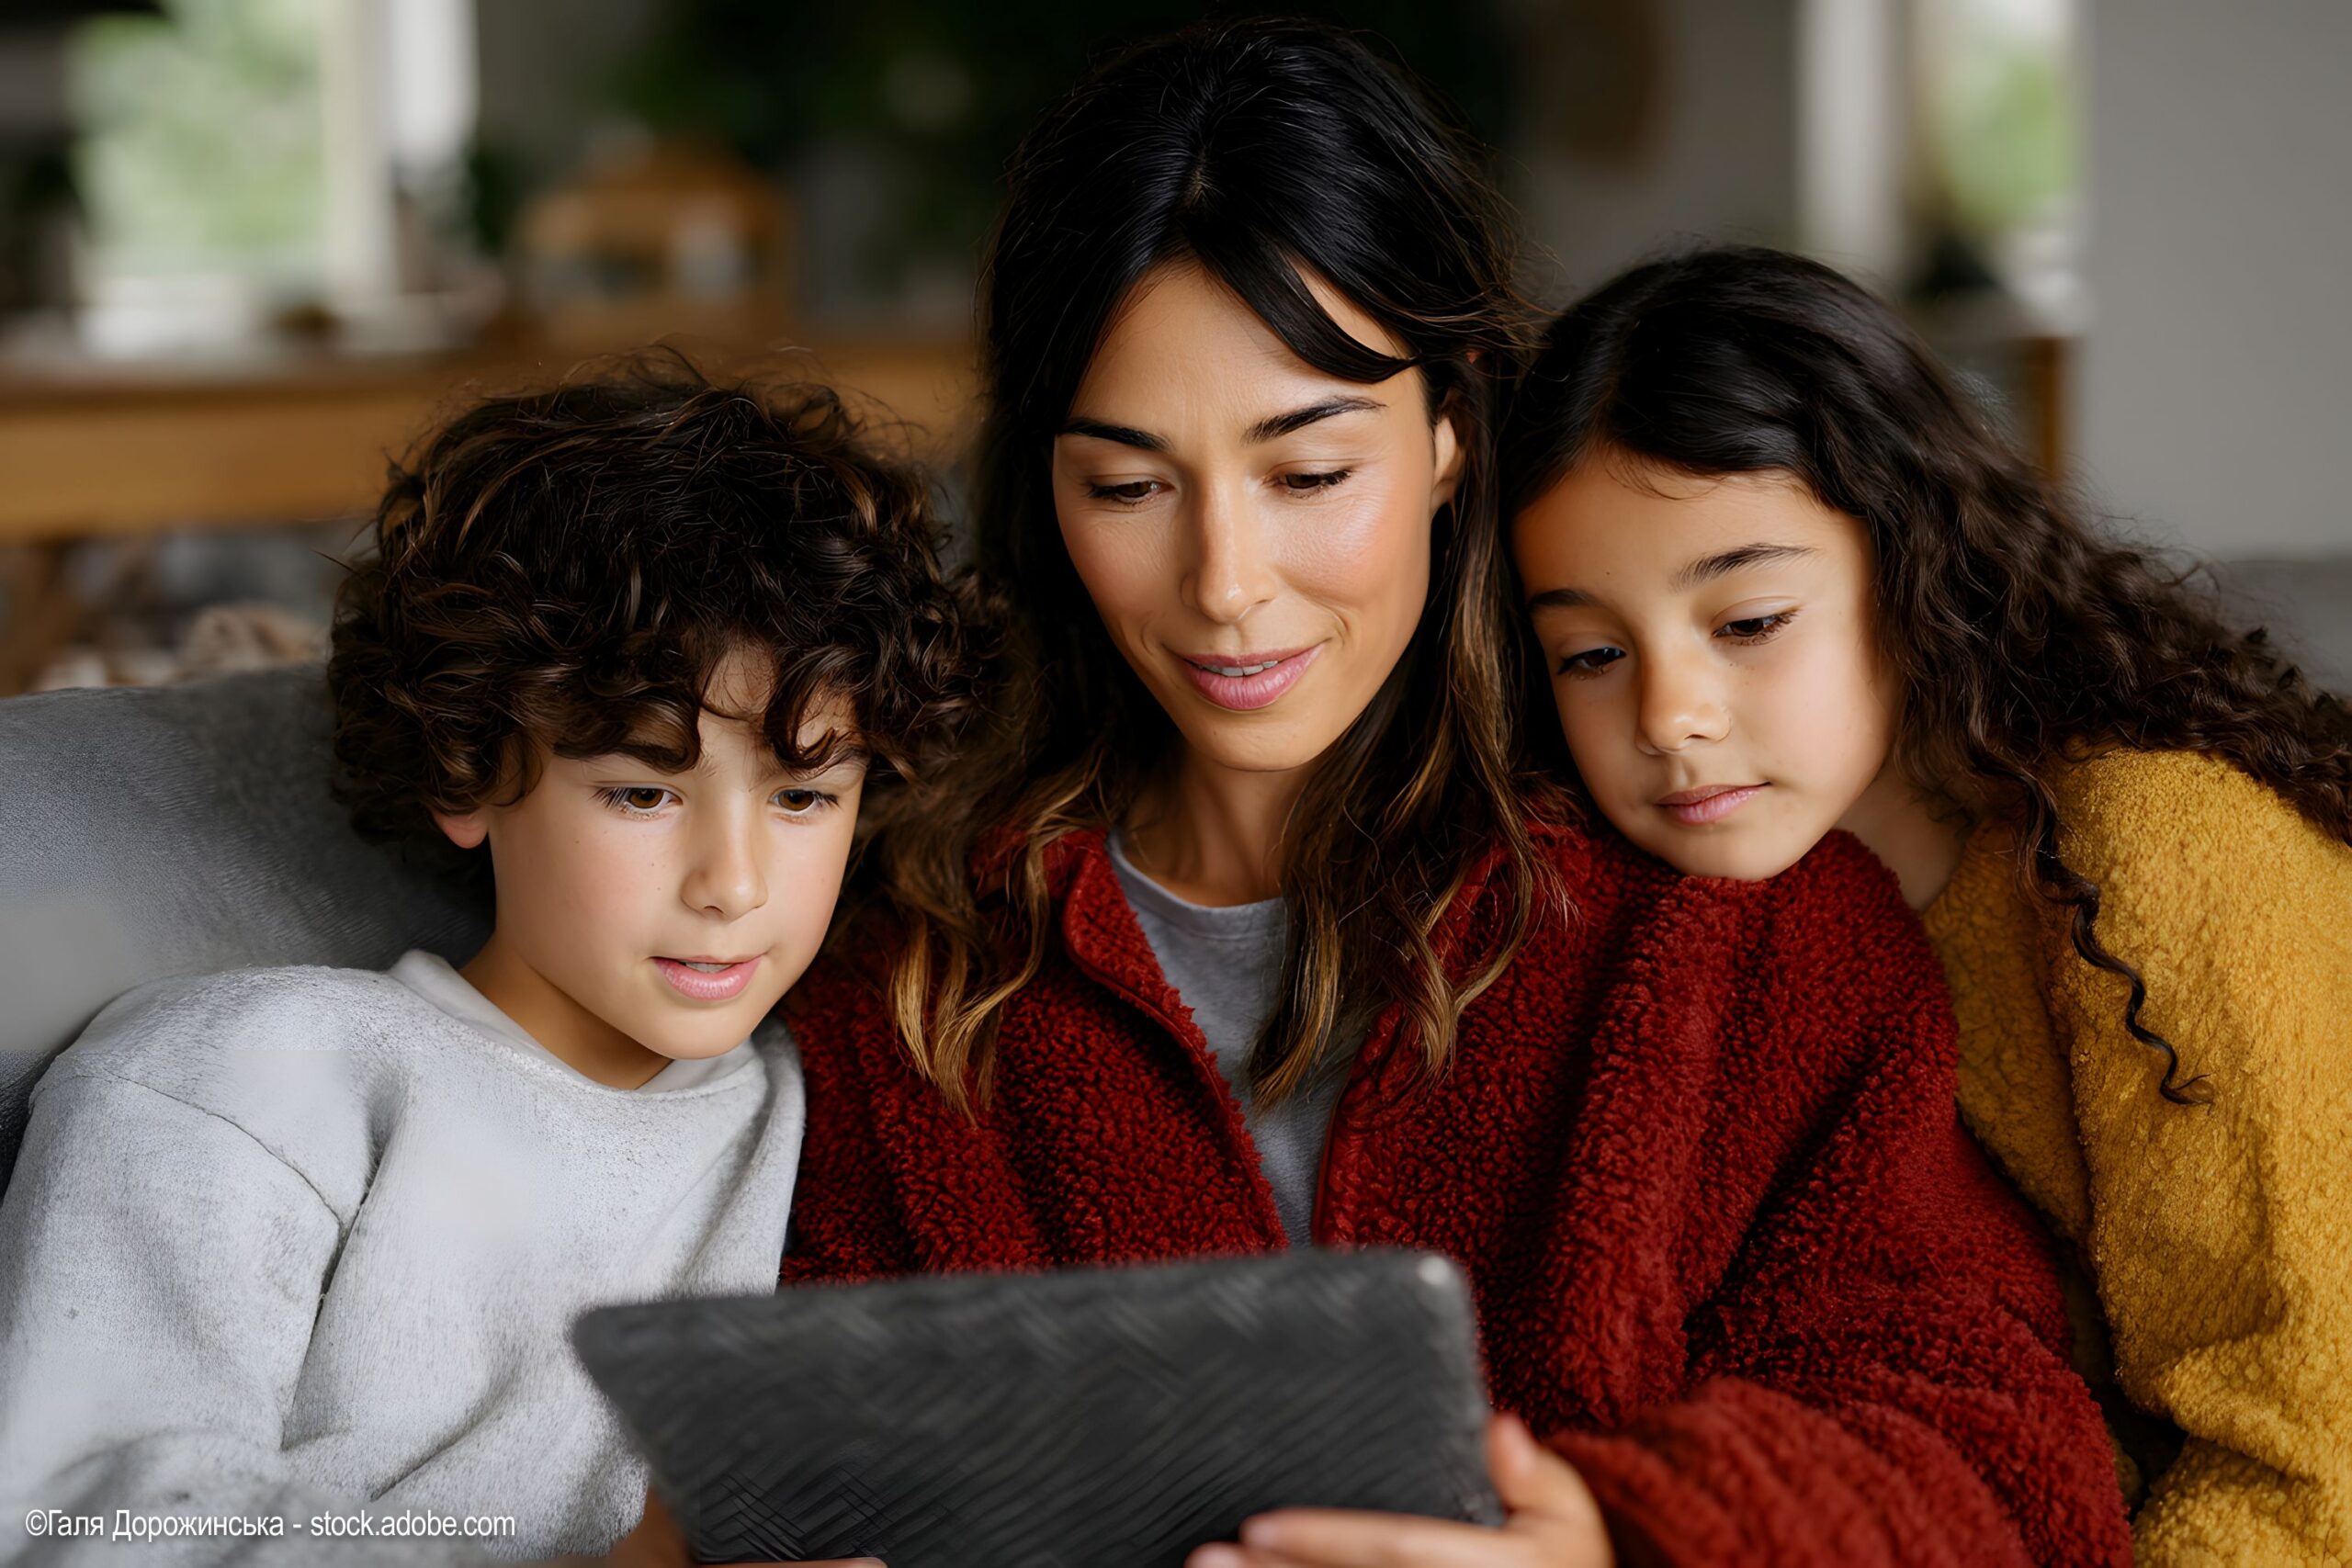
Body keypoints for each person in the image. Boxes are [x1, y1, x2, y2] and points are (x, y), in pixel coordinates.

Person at [780, 22, 2132, 1567]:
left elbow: (2007, 1461)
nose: (1226, 586)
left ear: (1449, 433)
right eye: (1130, 486)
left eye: (1307, 472)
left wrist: (1625, 1540)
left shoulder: (1723, 925)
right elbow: (799, 1424)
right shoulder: (907, 961)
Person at [0, 359, 969, 1566]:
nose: (734, 883)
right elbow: (73, 1531)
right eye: (641, 790)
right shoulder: (244, 1081)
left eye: (805, 794)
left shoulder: (845, 1111)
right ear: (468, 768)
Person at [1501, 243, 2352, 1566]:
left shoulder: (2144, 848)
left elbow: (2316, 1456)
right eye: (1594, 653)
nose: (1669, 717)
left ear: (1906, 565)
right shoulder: (1691, 925)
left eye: (1749, 620)